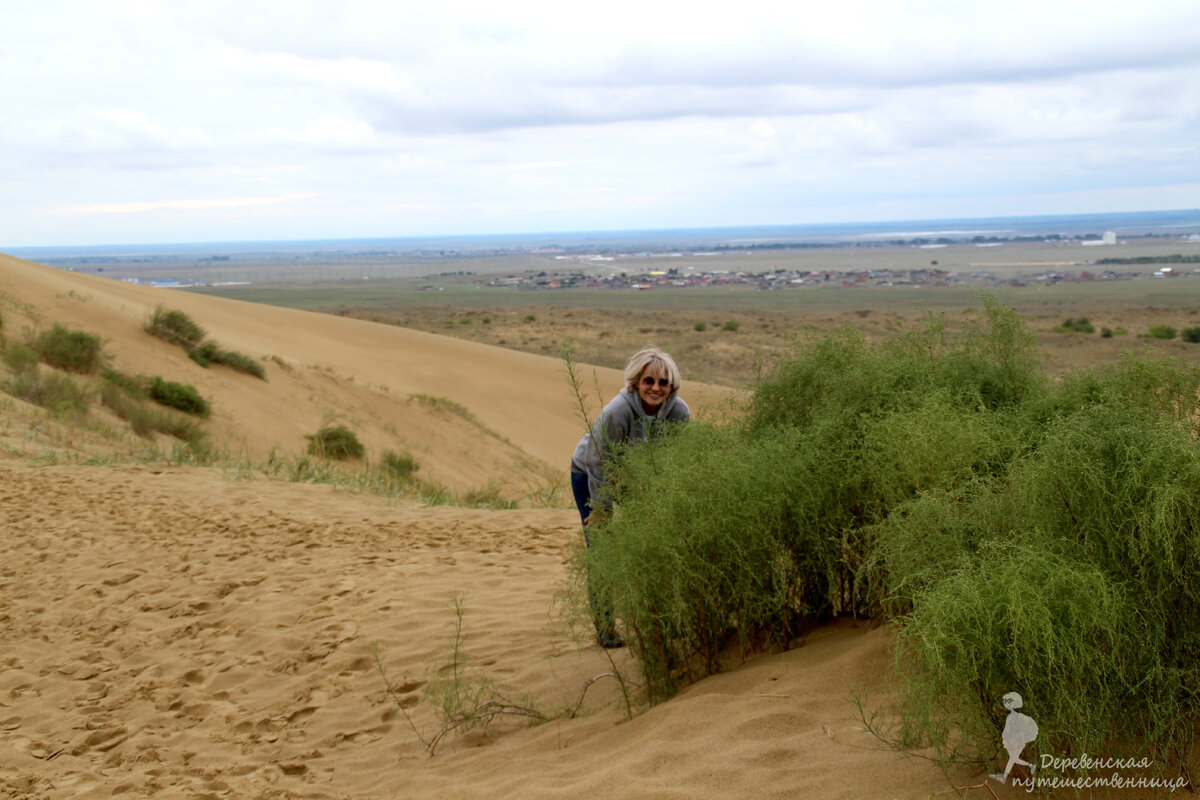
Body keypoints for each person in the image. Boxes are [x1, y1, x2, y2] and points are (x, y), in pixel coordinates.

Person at [570, 348, 690, 647]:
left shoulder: (679, 413)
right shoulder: (618, 411)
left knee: (655, 544)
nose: (655, 388)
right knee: (602, 549)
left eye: (663, 382)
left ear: (672, 385)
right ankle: (606, 630)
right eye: (649, 380)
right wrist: (601, 509)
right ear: (636, 381)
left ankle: (663, 621)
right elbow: (599, 461)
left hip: (637, 478)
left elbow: (677, 459)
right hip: (590, 474)